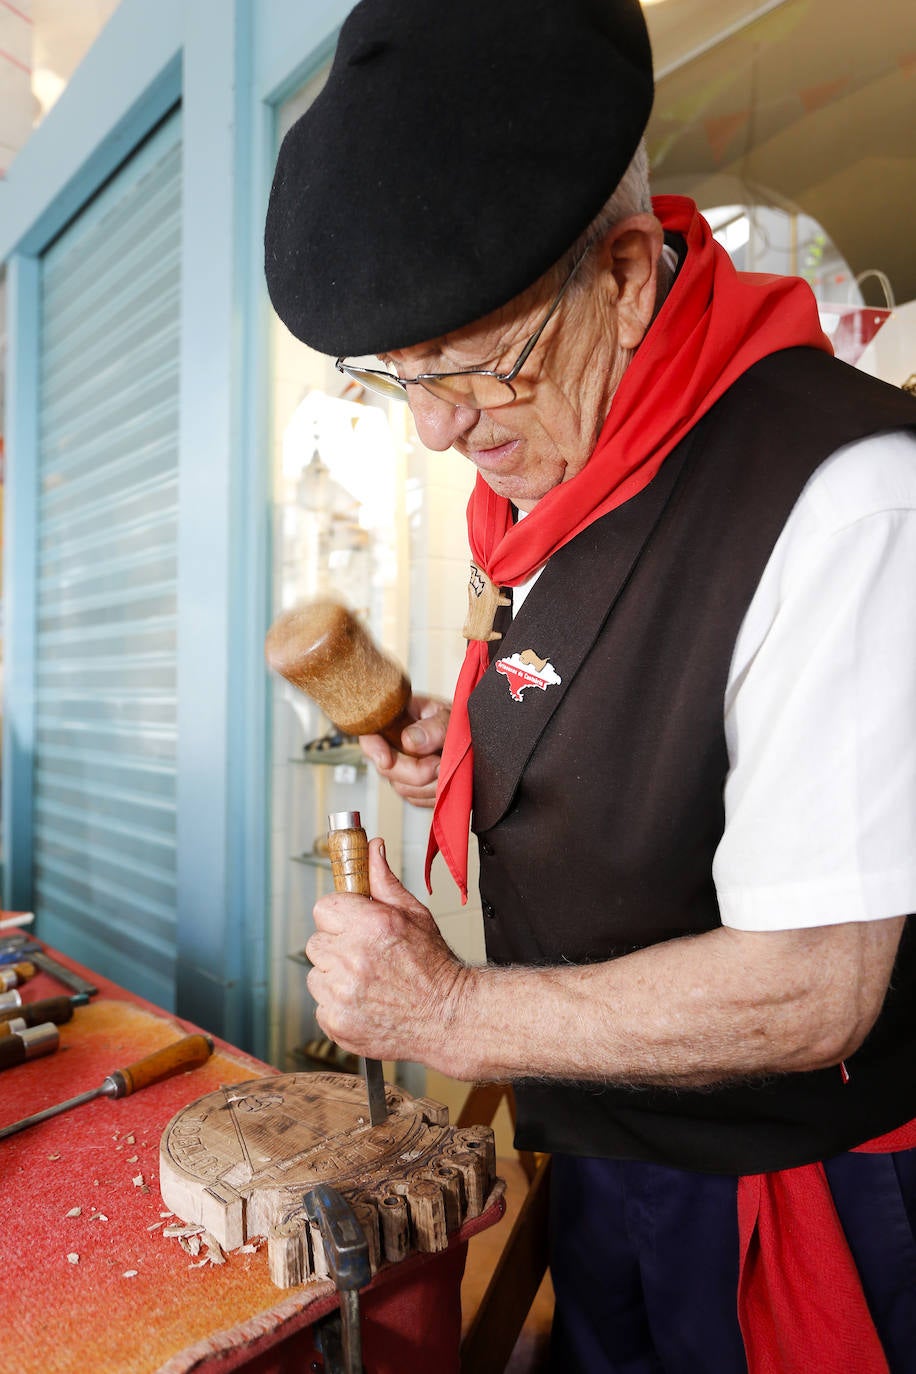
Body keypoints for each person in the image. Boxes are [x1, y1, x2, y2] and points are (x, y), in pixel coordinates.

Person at [264, 2, 916, 1370]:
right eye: (403, 375)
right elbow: (625, 700)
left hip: (791, 1199)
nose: (439, 427)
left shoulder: (850, 500)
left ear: (626, 275)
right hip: (610, 1148)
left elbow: (817, 985)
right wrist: (478, 752)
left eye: (475, 362)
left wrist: (443, 1010)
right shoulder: (564, 457)